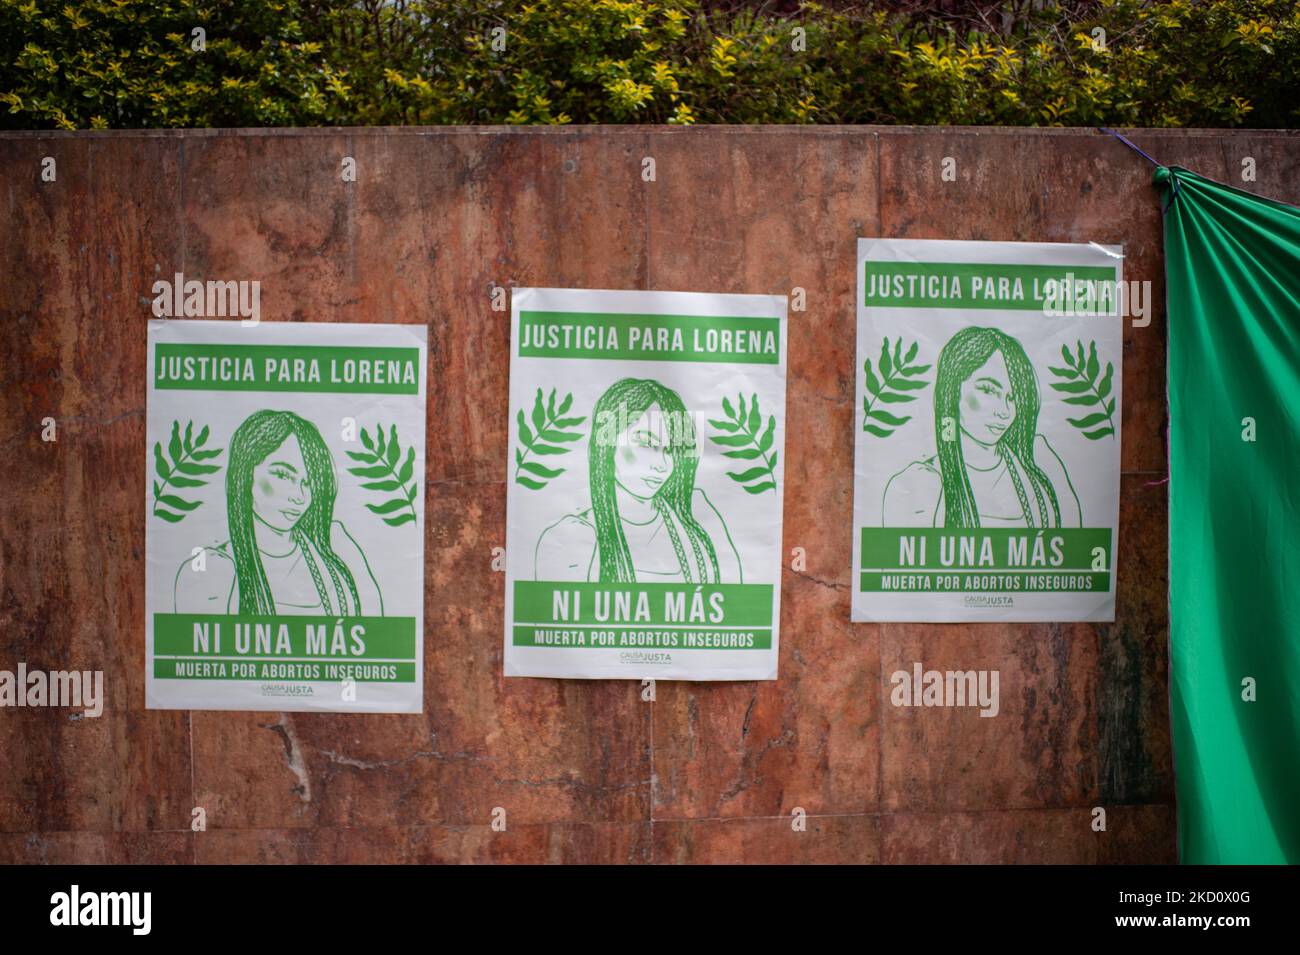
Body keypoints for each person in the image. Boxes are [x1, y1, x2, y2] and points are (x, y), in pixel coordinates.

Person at [174, 410, 382, 614]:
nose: (299, 496)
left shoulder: (336, 548)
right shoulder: (215, 569)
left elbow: (377, 637)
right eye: (283, 475)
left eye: (308, 483)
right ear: (246, 472)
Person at [534, 378, 741, 583]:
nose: (661, 464)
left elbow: (738, 607)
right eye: (645, 443)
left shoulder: (697, 520)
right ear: (607, 442)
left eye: (671, 450)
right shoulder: (572, 535)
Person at [882, 326, 1080, 528]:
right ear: (953, 389)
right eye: (988, 390)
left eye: (1013, 398)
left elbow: (1076, 545)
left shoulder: (1039, 463)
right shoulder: (920, 482)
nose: (1004, 411)